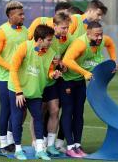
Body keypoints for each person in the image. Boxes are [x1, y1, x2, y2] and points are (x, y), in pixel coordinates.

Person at [61, 21, 117, 158]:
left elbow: (110, 44)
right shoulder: (80, 43)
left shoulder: (103, 40)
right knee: (68, 112)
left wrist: (113, 61)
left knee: (79, 113)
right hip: (67, 81)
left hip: (80, 81)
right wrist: (84, 72)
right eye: (96, 35)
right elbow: (67, 60)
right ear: (88, 34)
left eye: (101, 35)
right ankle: (69, 147)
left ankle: (77, 145)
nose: (99, 38)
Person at [8, 25, 61, 160]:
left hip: (35, 92)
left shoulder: (51, 52)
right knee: (17, 118)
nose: (51, 42)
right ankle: (18, 149)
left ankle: (39, 150)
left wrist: (53, 74)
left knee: (38, 119)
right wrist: (19, 92)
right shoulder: (24, 47)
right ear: (39, 39)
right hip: (18, 91)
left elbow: (48, 71)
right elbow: (13, 69)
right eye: (49, 40)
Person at [28, 12, 73, 155]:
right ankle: (36, 141)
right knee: (38, 113)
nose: (66, 31)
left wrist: (62, 66)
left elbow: (64, 60)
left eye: (67, 28)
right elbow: (32, 55)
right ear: (54, 26)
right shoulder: (45, 40)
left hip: (53, 81)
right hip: (38, 81)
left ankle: (51, 145)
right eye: (63, 28)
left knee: (54, 110)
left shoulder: (67, 40)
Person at [0, 0, 27, 155]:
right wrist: (11, 67)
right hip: (5, 78)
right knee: (6, 110)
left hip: (22, 78)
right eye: (20, 14)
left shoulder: (25, 30)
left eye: (23, 13)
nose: (23, 16)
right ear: (11, 16)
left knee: (19, 111)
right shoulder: (1, 31)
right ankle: (3, 144)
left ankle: (12, 141)